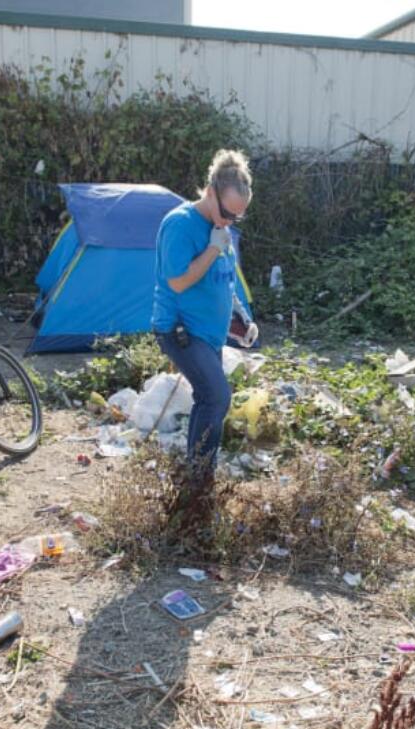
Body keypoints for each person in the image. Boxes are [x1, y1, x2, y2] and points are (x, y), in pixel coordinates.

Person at [151, 149, 257, 504]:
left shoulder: (220, 228)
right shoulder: (180, 225)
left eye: (238, 216)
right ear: (210, 192)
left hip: (210, 334)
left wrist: (241, 316)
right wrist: (212, 248)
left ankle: (198, 475)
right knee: (217, 396)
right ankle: (198, 481)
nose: (230, 221)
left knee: (209, 399)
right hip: (179, 330)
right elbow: (178, 282)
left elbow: (224, 280)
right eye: (227, 212)